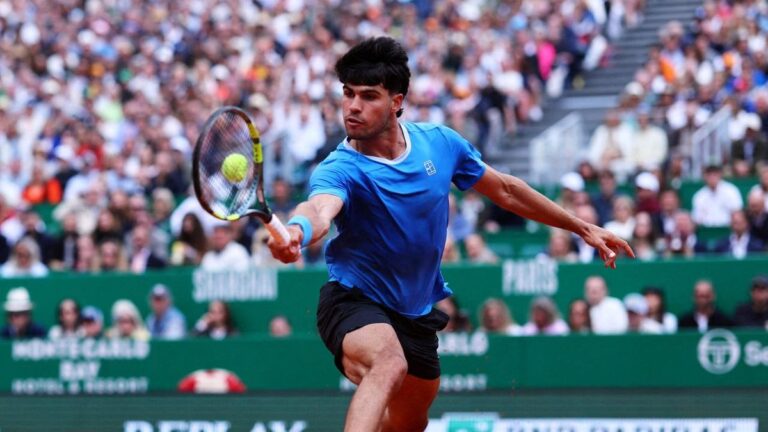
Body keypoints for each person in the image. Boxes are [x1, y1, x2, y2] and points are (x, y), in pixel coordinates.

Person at [267, 37, 633, 432]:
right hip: (355, 299)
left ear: (396, 102)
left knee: (409, 423)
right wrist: (298, 231)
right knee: (387, 364)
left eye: (368, 96)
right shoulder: (339, 168)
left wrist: (581, 227)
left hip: (416, 312)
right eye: (348, 93)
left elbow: (506, 190)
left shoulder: (440, 144)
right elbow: (319, 210)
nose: (353, 106)